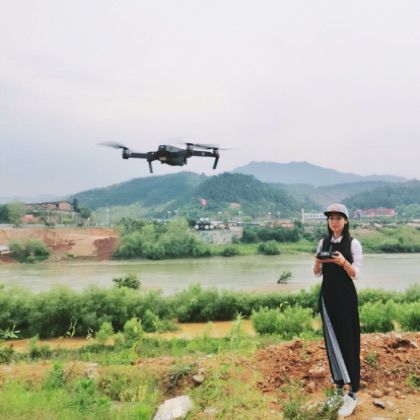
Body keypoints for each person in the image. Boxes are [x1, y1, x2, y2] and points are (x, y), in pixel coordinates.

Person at [313, 203, 363, 417]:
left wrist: (343, 262)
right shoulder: (323, 242)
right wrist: (317, 260)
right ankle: (338, 389)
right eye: (331, 218)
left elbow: (356, 274)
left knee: (349, 342)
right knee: (332, 342)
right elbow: (317, 273)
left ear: (346, 221)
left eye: (338, 218)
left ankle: (352, 393)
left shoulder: (353, 244)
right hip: (327, 297)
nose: (334, 222)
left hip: (346, 298)